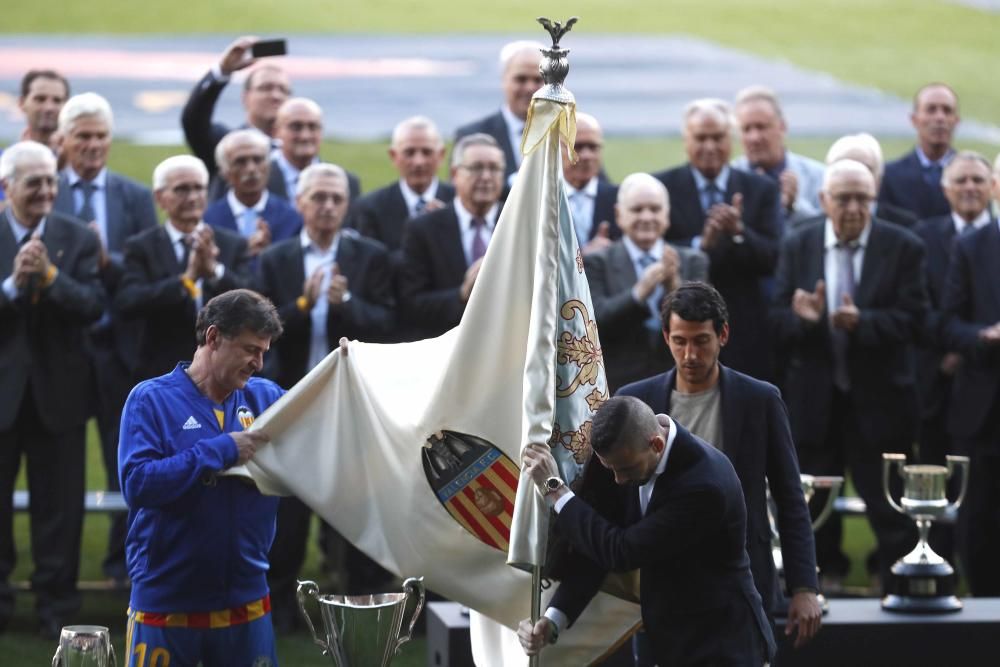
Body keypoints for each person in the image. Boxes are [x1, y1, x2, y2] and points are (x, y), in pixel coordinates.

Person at [618, 282, 820, 648]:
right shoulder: (635, 401)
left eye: (701, 341)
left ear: (722, 335)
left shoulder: (760, 400)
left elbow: (791, 498)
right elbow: (615, 499)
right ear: (666, 337)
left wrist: (804, 586)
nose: (690, 354)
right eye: (680, 341)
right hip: (658, 587)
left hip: (739, 588)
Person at [518, 396, 775, 666]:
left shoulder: (705, 486)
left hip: (722, 646)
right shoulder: (626, 454)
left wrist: (555, 489)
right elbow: (598, 545)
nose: (618, 480)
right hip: (667, 642)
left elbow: (621, 551)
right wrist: (553, 619)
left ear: (657, 444)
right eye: (611, 470)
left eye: (625, 470)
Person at [771, 158, 926, 590]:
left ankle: (895, 588)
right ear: (824, 200)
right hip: (815, 405)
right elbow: (775, 320)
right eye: (844, 198)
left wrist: (865, 322)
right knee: (812, 510)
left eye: (863, 198)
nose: (854, 208)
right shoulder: (798, 244)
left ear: (874, 199)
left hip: (881, 405)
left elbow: (917, 320)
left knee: (890, 509)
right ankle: (817, 589)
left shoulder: (904, 246)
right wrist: (803, 318)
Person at [257, 162, 394, 629]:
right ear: (299, 203)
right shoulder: (276, 259)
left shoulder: (370, 256)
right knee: (289, 514)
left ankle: (362, 613)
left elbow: (388, 327)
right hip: (292, 405)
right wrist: (300, 305)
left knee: (355, 510)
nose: (328, 206)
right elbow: (260, 335)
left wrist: (347, 305)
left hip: (352, 407)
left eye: (337, 198)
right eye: (318, 197)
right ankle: (279, 615)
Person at [118, 289, 285, 666]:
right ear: (213, 338)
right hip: (167, 606)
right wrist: (221, 450)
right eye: (249, 350)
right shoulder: (149, 400)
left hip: (248, 604)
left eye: (263, 352)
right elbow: (138, 484)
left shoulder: (268, 400)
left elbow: (324, 424)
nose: (258, 362)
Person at [52, 92, 158, 583]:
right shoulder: (46, 191)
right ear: (63, 141)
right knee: (63, 468)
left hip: (123, 352)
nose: (93, 146)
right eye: (83, 137)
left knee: (128, 461)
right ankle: (60, 570)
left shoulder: (135, 197)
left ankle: (124, 566)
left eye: (100, 136)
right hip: (63, 349)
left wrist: (104, 261)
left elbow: (144, 270)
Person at [0, 141, 104, 638]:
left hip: (59, 398)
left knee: (60, 513)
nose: (45, 191)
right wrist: (11, 286)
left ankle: (56, 610)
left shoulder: (76, 237)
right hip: (1, 397)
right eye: (33, 182)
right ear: (6, 188)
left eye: (50, 182)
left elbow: (93, 305)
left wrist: (50, 277)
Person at [654, 98, 781, 381]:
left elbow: (774, 257)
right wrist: (701, 245)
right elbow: (654, 249)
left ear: (731, 139)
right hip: (682, 333)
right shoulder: (663, 188)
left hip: (745, 331)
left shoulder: (760, 189)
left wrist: (739, 232)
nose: (710, 147)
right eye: (701, 138)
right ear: (686, 140)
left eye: (718, 137)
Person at [115, 155, 253, 383]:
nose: (192, 197)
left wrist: (214, 272)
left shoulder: (232, 243)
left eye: (198, 188)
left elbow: (252, 300)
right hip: (162, 371)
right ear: (160, 198)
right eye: (181, 189)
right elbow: (128, 301)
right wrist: (186, 280)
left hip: (224, 373)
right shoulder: (142, 246)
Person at [585, 173, 708, 391]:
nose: (647, 217)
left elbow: (703, 323)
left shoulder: (692, 260)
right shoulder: (597, 262)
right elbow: (595, 323)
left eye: (655, 209)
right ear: (618, 214)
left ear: (667, 214)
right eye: (637, 209)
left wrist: (674, 287)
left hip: (679, 383)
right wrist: (639, 292)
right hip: (617, 385)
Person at [940, 151, 1000, 596]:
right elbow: (948, 324)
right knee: (978, 521)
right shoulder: (971, 247)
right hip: (984, 412)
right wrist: (984, 336)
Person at [399, 133, 505, 340]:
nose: (485, 176)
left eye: (494, 168)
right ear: (455, 174)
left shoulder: (521, 223)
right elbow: (410, 305)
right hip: (447, 349)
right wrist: (461, 295)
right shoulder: (423, 229)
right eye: (476, 168)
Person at [181, 36, 290, 179]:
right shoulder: (227, 144)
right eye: (266, 88)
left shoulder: (299, 147)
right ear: (245, 97)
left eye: (283, 90)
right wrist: (223, 71)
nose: (276, 95)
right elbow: (194, 121)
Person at [350, 115, 455, 255]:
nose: (418, 162)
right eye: (409, 152)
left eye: (427, 152)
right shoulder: (371, 208)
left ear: (441, 155)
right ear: (394, 156)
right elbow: (374, 266)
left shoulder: (459, 202)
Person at [732, 85, 825, 227]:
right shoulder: (728, 178)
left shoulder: (818, 176)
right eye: (746, 129)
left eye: (761, 127)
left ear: (782, 127)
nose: (754, 137)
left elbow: (827, 232)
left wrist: (794, 207)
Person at [203, 128, 302, 258]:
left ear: (268, 165)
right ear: (224, 171)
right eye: (240, 161)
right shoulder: (208, 221)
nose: (251, 169)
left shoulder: (291, 218)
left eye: (258, 160)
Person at [454, 40, 544, 182]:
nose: (530, 88)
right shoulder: (472, 136)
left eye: (539, 80)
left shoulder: (569, 136)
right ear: (504, 80)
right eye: (521, 79)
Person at [878, 83, 960, 223]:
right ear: (914, 120)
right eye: (931, 110)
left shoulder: (972, 177)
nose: (940, 118)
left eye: (947, 111)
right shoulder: (890, 176)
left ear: (956, 121)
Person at [562, 112, 620, 254]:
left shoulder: (619, 199)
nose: (587, 156)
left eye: (593, 147)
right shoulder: (540, 200)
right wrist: (583, 255)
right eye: (577, 147)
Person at [17, 70, 69, 151]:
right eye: (40, 99)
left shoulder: (79, 162)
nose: (49, 108)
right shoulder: (5, 160)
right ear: (22, 103)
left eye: (57, 100)